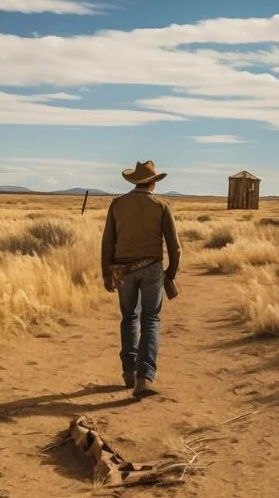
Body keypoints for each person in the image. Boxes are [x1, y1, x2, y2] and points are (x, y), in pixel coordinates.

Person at [101, 160, 181, 398]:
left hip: (121, 270)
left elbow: (107, 242)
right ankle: (144, 378)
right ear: (153, 183)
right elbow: (175, 248)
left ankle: (128, 371)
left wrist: (106, 272)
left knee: (129, 318)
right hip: (152, 269)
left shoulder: (117, 204)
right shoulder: (161, 206)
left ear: (135, 182)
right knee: (151, 320)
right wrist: (170, 274)